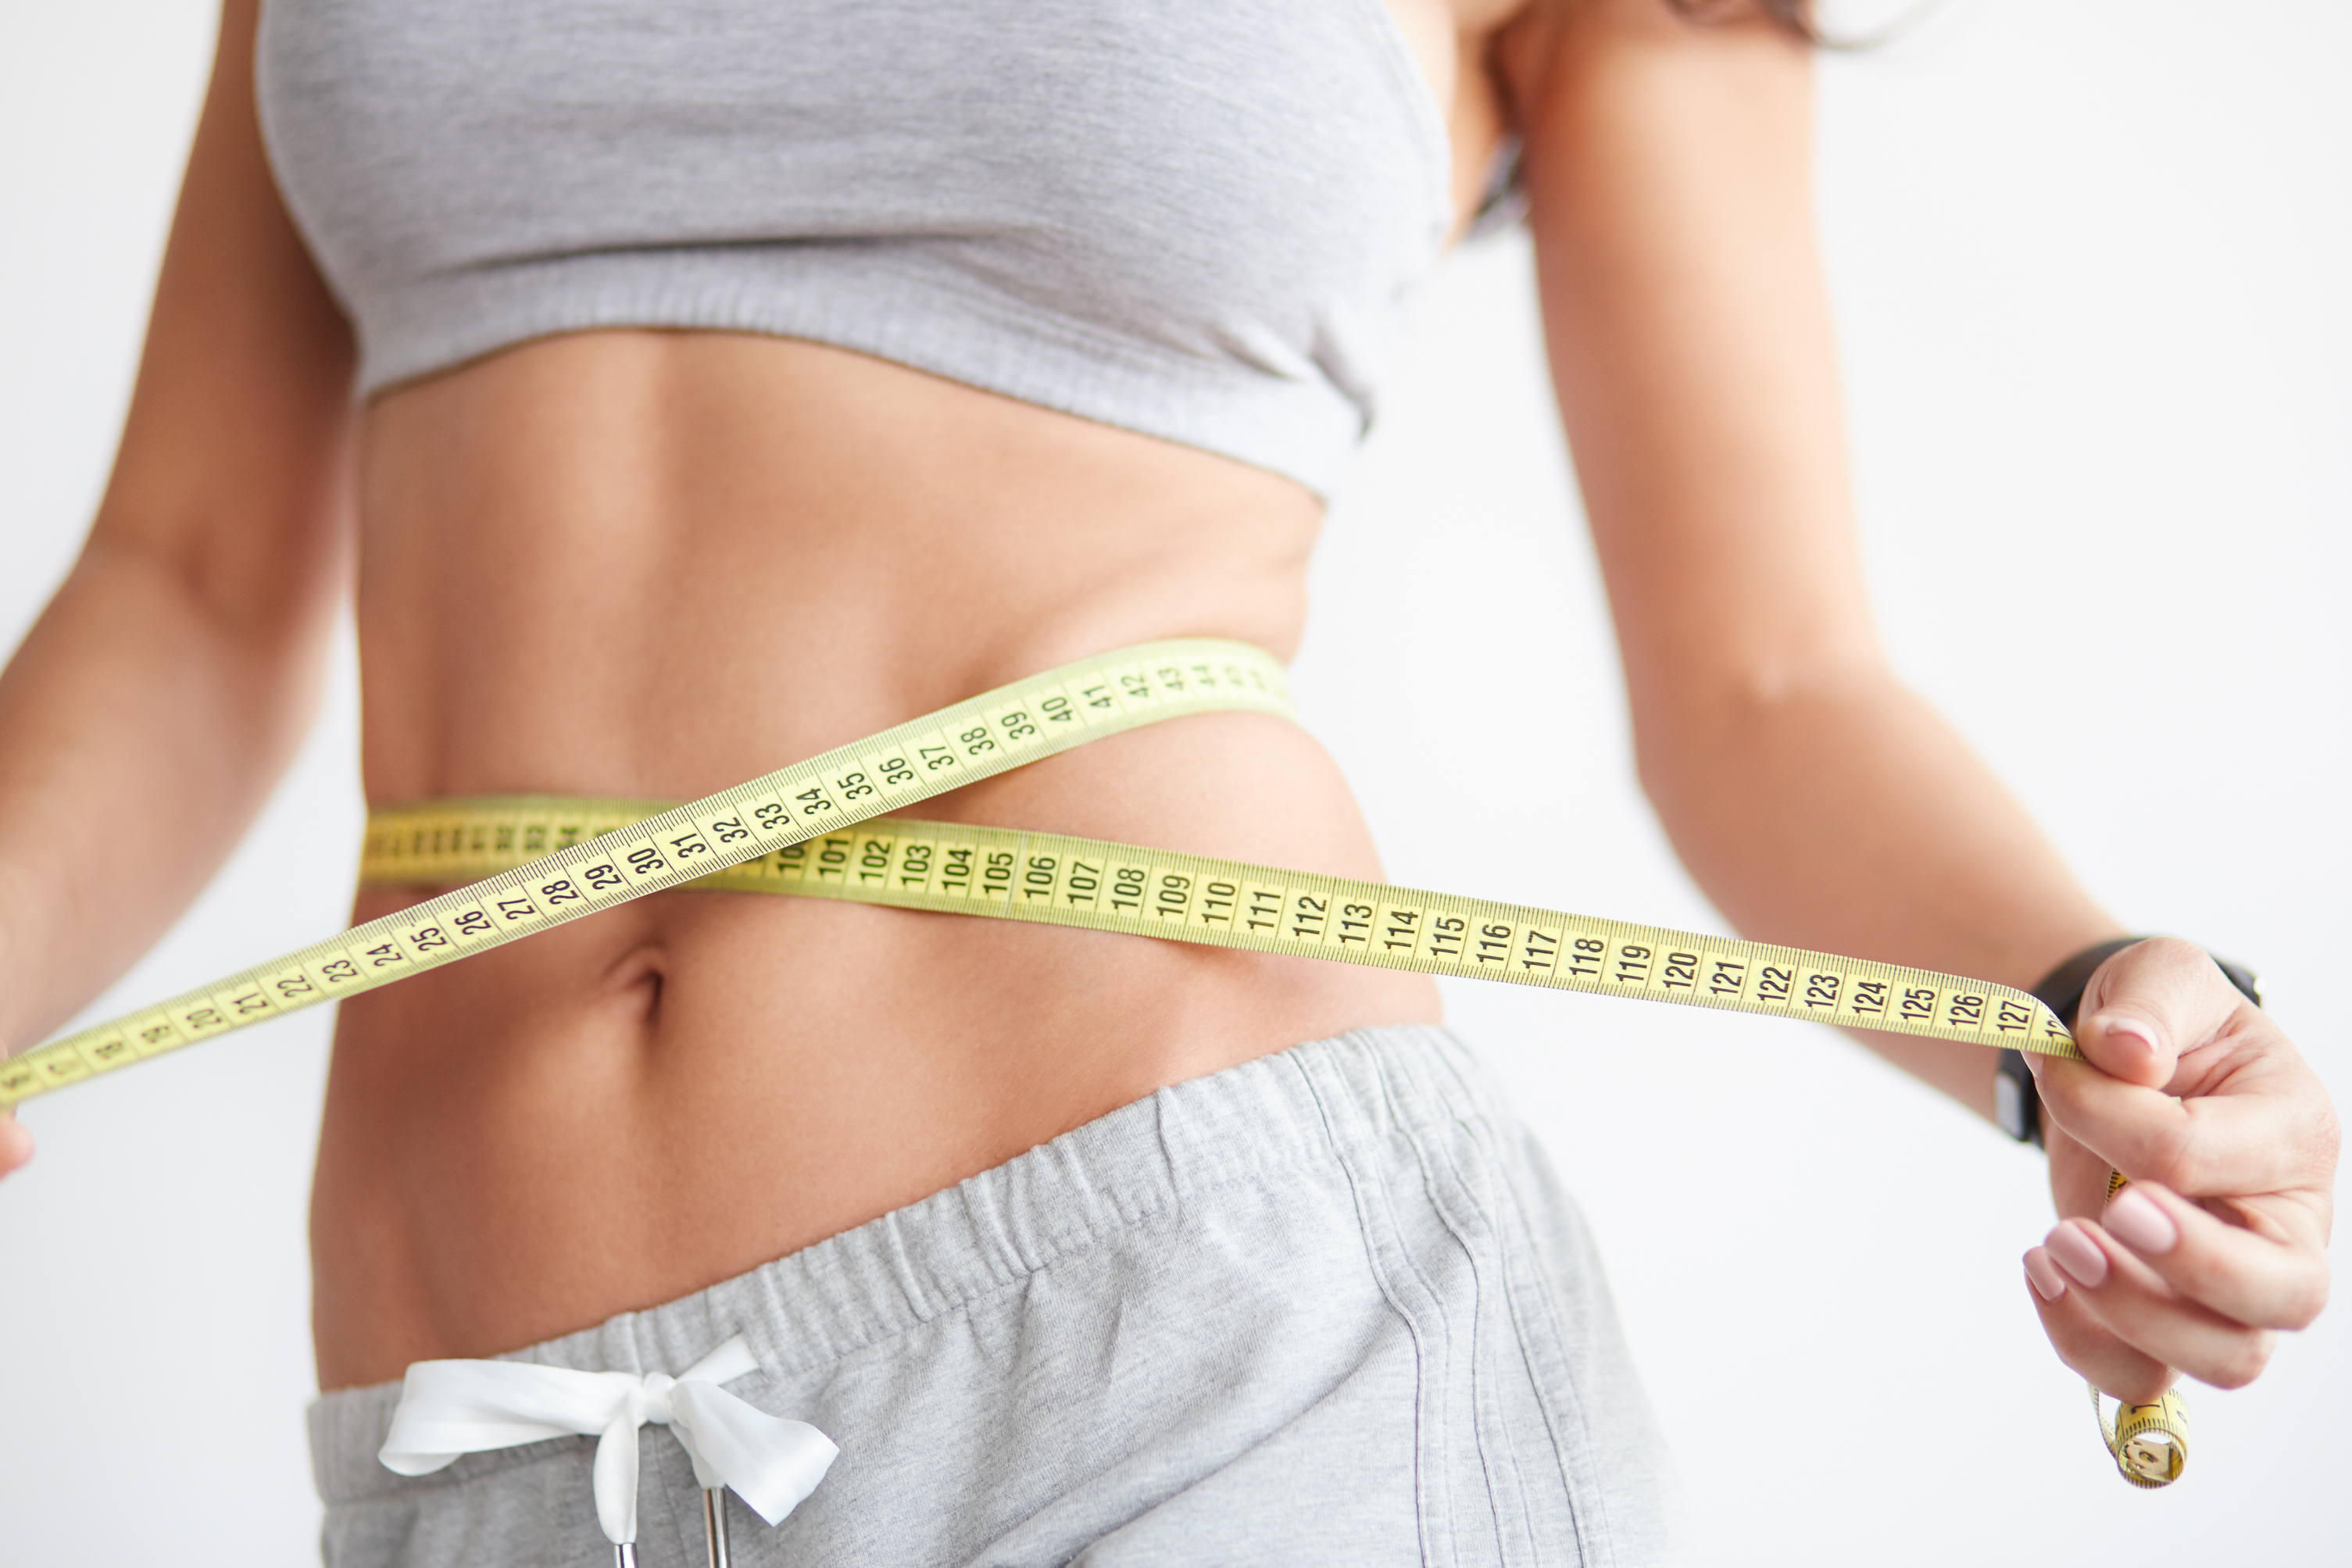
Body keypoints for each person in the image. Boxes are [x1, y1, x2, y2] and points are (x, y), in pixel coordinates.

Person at [0, 0, 2334, 1561]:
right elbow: (183, 585)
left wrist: (2088, 1010)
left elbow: (1768, 685)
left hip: (1206, 1358)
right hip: (485, 1439)